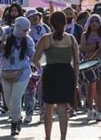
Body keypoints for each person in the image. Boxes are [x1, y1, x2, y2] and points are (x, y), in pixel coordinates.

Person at [33, 11, 79, 140]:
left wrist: (41, 69)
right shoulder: (71, 39)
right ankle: (62, 138)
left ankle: (48, 137)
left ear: (50, 23)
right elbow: (76, 62)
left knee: (49, 107)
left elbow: (35, 58)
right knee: (63, 108)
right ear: (65, 22)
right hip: (67, 73)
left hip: (51, 73)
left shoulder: (45, 39)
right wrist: (76, 80)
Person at [0, 17, 34, 136]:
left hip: (22, 72)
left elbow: (32, 55)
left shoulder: (28, 41)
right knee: (8, 100)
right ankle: (17, 117)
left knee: (15, 98)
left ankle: (14, 123)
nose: (24, 32)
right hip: (6, 72)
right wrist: (0, 43)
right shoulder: (6, 38)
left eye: (26, 30)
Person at [80, 14, 101, 122]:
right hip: (88, 64)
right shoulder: (85, 35)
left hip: (100, 63)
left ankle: (99, 112)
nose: (94, 23)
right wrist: (97, 45)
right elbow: (82, 48)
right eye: (92, 21)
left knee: (100, 88)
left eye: (96, 21)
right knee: (90, 89)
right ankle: (90, 110)